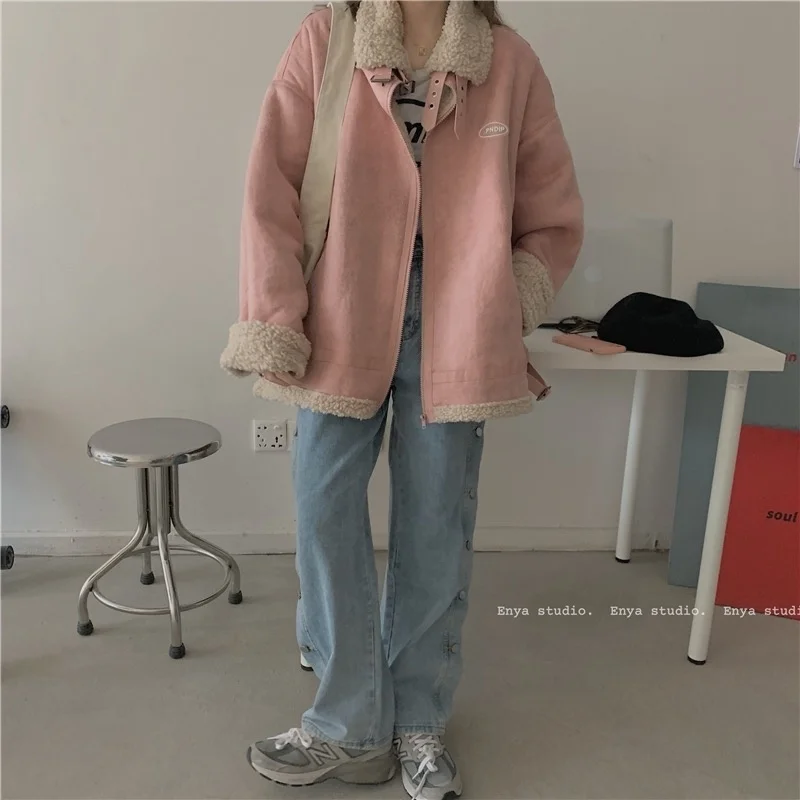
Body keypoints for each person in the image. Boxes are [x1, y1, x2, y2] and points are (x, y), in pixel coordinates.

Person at [220, 1, 583, 797]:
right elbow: (270, 186)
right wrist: (276, 314)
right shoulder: (331, 35)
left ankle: (418, 719)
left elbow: (552, 210)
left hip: (458, 320)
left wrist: (507, 300)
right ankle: (348, 722)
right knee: (323, 509)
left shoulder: (507, 60)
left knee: (434, 523)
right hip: (339, 309)